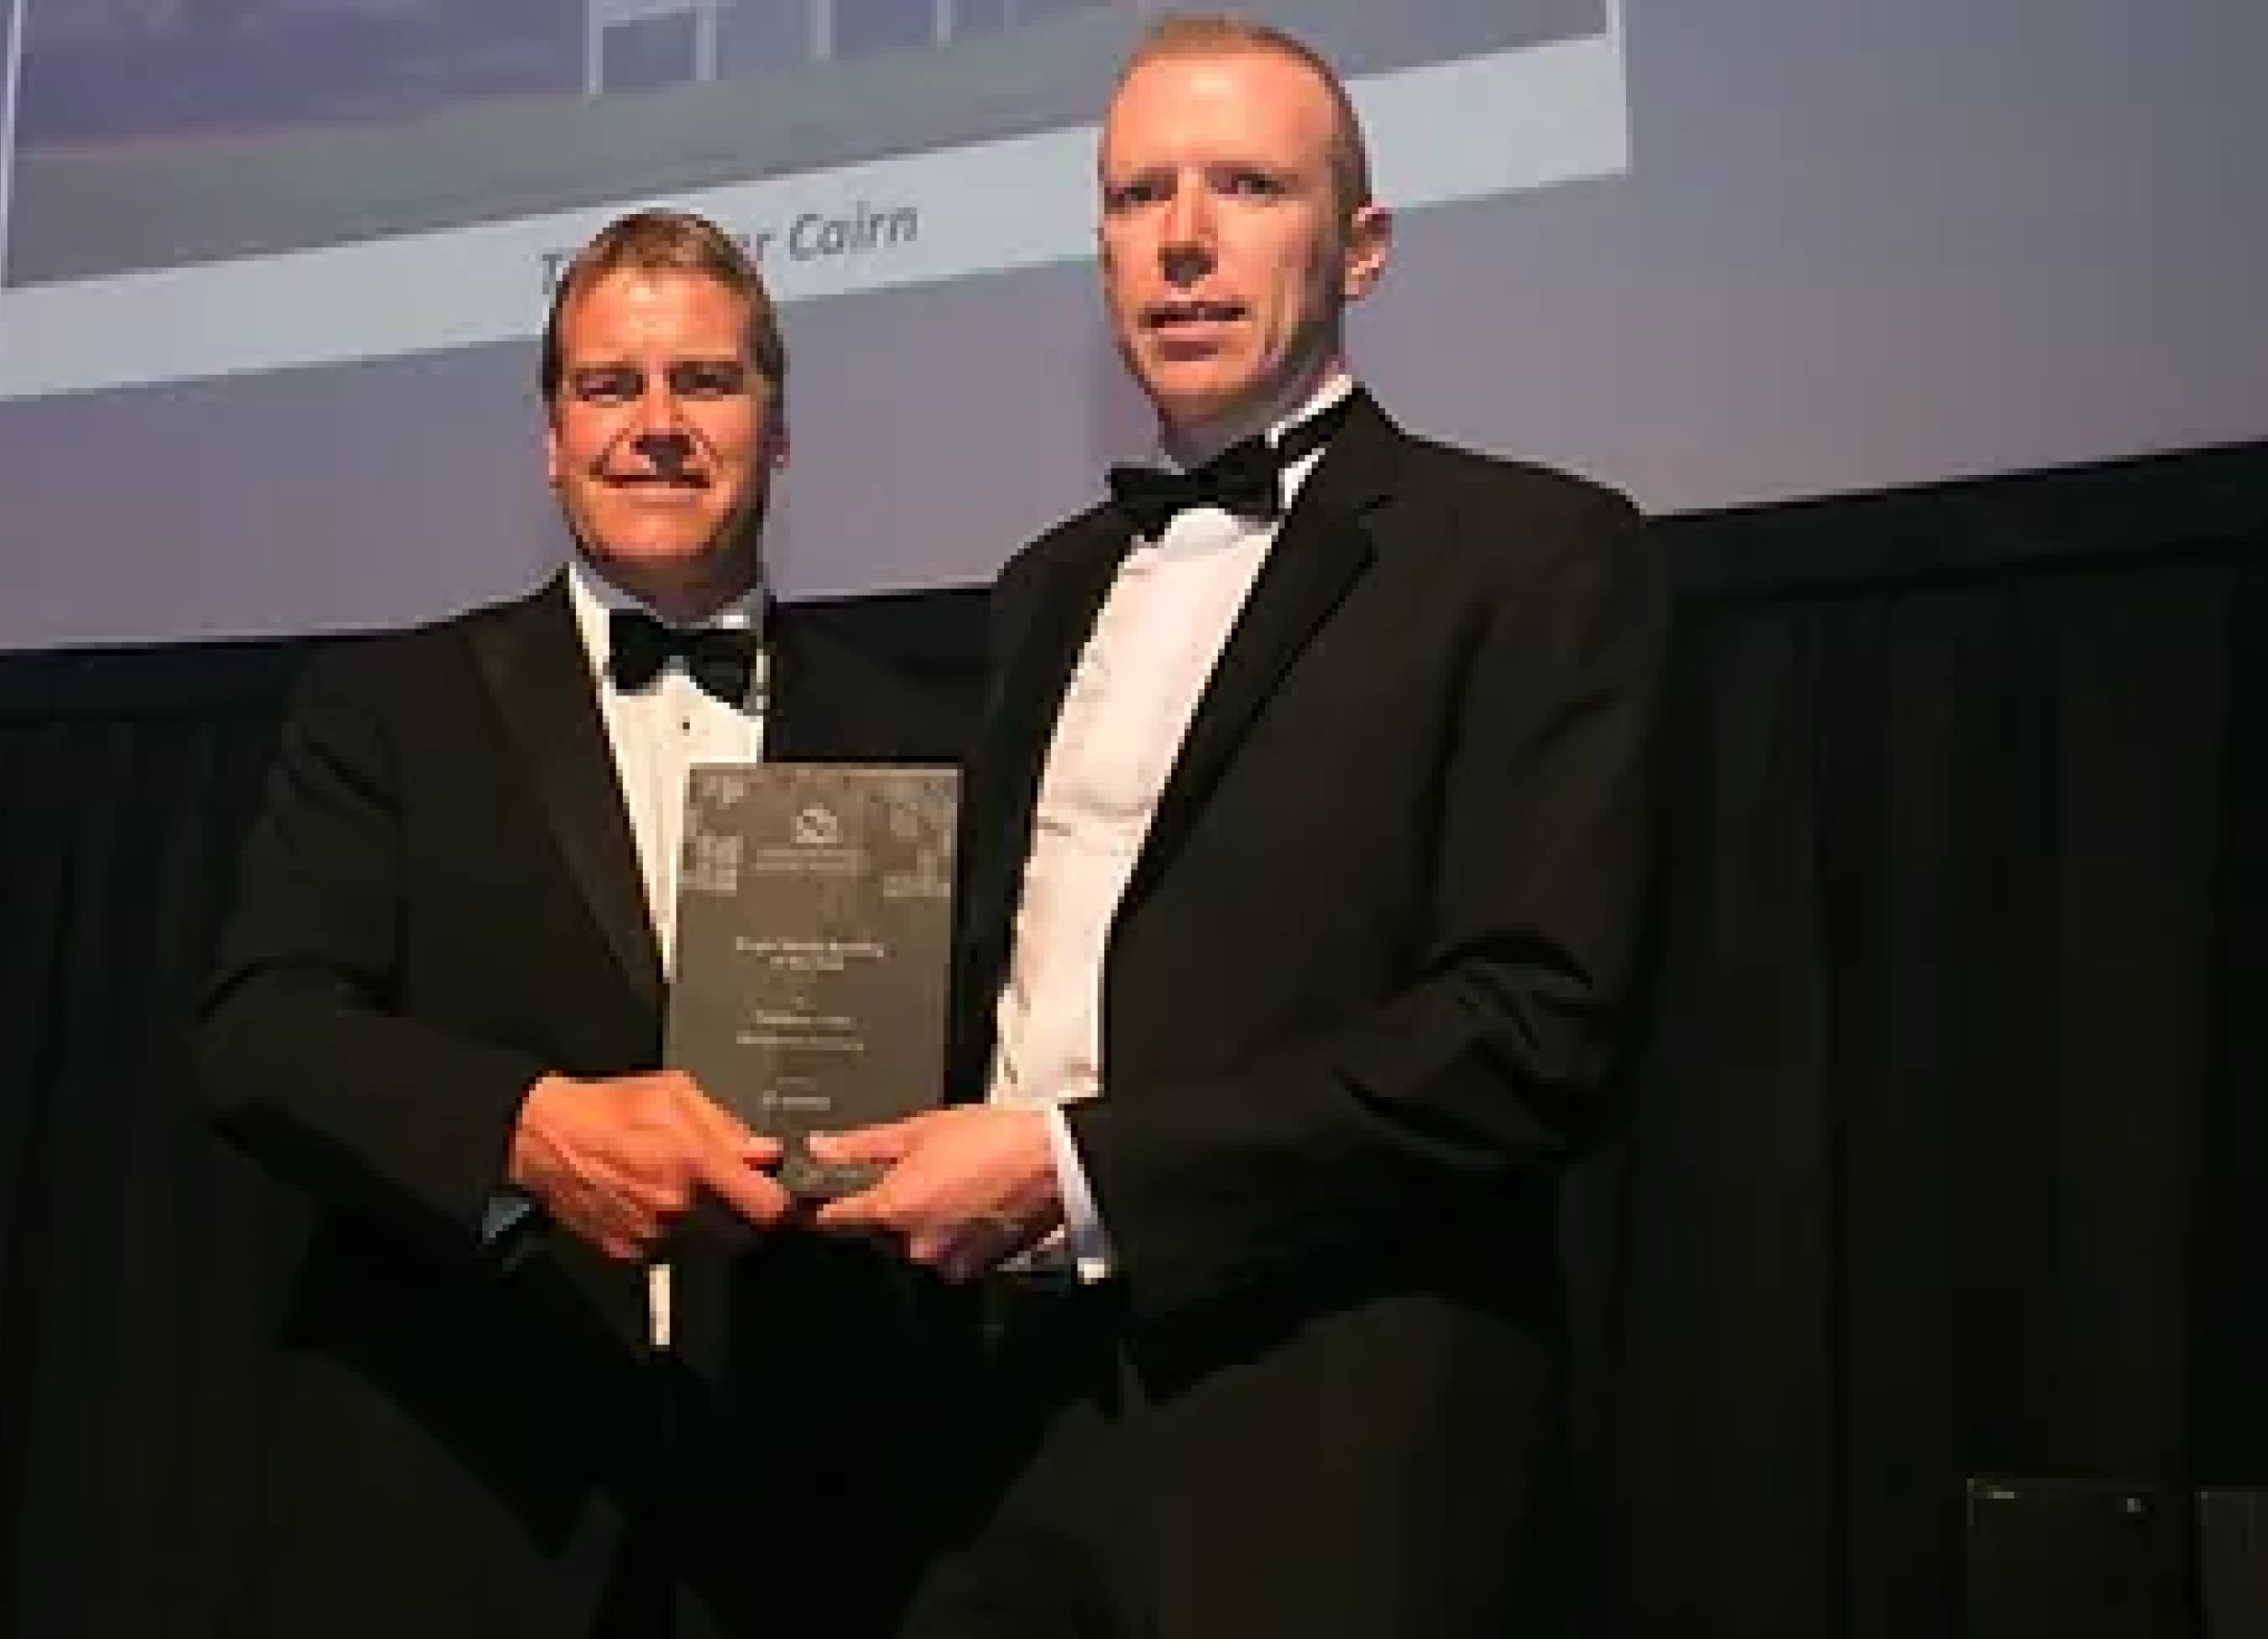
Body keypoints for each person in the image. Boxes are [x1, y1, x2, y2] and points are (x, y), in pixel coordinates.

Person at [811, 15, 1671, 1635]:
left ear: (1364, 246)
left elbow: (1533, 1031)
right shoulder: (1043, 585)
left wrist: (1075, 1169)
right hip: (1003, 1444)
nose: (1184, 239)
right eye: (1139, 195)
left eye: (1248, 187)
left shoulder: (1530, 553)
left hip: (1330, 1444)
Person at [192, 209, 965, 1638]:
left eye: (706, 382)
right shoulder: (394, 710)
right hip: (468, 1508)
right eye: (611, 386)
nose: (656, 425)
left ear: (779, 432)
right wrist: (529, 1131)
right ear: (552, 438)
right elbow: (260, 1036)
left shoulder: (913, 745)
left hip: (806, 1525)